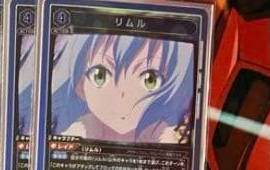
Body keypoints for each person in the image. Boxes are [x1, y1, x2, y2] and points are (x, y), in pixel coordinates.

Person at [49, 32, 195, 144]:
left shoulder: (163, 132)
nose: (122, 100)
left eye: (150, 80)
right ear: (80, 83)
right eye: (100, 75)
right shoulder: (80, 131)